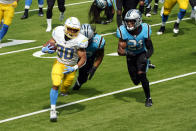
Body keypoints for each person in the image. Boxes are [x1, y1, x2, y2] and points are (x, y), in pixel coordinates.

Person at [41, 17, 88, 122]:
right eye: (70, 29)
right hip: (59, 63)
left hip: (71, 66)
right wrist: (44, 48)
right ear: (65, 27)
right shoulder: (58, 32)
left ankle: (64, 91)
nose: (72, 32)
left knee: (66, 85)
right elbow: (50, 42)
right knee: (56, 84)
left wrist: (74, 67)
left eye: (74, 30)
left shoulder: (79, 40)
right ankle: (53, 109)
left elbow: (83, 58)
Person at [117, 9, 153, 107]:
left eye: (131, 21)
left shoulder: (145, 29)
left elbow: (150, 48)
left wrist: (146, 57)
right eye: (127, 21)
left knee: (142, 75)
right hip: (130, 56)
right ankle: (147, 65)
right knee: (136, 81)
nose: (129, 23)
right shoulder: (123, 31)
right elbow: (119, 51)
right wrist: (128, 52)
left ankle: (148, 98)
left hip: (141, 53)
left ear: (138, 20)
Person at [69, 24, 105, 91]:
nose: (86, 43)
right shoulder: (73, 39)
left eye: (88, 40)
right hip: (75, 56)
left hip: (89, 58)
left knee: (83, 78)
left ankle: (78, 84)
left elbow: (100, 55)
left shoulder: (98, 42)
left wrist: (94, 67)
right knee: (68, 73)